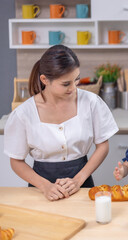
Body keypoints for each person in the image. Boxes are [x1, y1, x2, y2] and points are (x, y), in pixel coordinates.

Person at [4, 45, 118, 201]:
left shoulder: (91, 102)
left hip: (82, 186)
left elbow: (103, 145)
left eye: (76, 79)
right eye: (66, 84)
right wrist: (45, 186)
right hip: (40, 191)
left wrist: (78, 179)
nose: (73, 88)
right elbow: (16, 161)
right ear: (45, 80)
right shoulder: (23, 113)